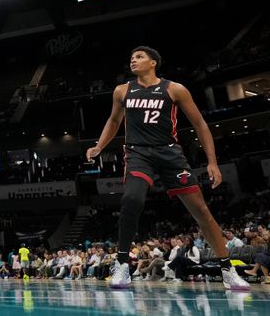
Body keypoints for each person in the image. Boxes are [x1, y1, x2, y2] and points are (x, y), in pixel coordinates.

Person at [86, 46, 249, 291]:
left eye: (139, 57)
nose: (133, 60)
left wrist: (212, 161)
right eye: (131, 57)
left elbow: (200, 124)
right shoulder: (122, 90)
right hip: (138, 152)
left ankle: (227, 268)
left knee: (201, 211)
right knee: (131, 199)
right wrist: (99, 147)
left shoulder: (175, 89)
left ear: (154, 62)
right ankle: (121, 264)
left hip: (169, 152)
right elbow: (114, 120)